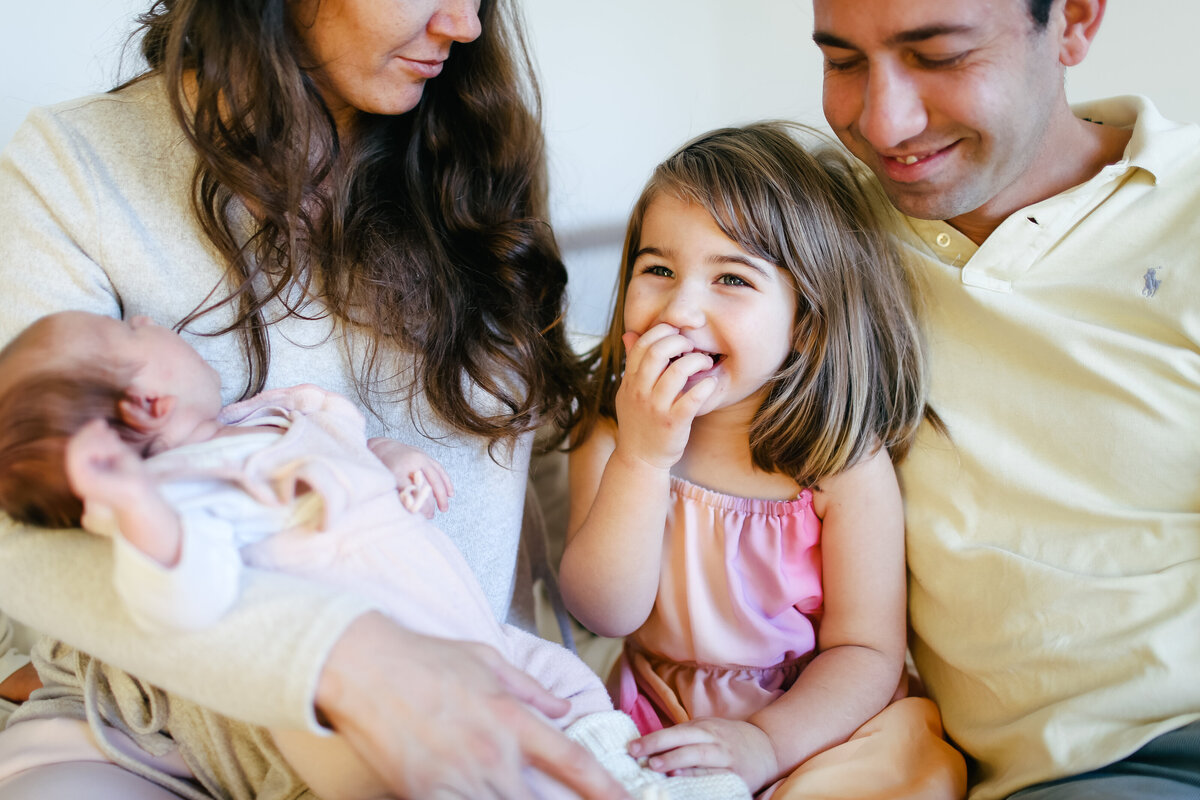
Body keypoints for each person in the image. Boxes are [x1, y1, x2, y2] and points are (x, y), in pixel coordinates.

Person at [0, 0, 631, 798]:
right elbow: (22, 526)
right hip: (150, 741)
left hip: (465, 709)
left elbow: (524, 453)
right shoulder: (73, 170)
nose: (464, 25)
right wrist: (343, 656)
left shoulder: (474, 153)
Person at [0, 309, 752, 800]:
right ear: (147, 403)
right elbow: (183, 600)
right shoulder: (183, 493)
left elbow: (345, 446)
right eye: (133, 330)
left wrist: (391, 459)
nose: (153, 321)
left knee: (572, 706)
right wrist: (137, 510)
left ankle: (633, 775)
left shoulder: (263, 415)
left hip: (469, 629)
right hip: (370, 688)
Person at [810, 0, 1200, 798]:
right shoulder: (813, 234)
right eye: (843, 62)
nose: (886, 124)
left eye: (941, 55)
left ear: (1076, 22)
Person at [561, 122, 967, 799]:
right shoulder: (611, 433)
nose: (682, 309)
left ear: (804, 317)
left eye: (730, 278)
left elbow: (865, 651)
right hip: (660, 710)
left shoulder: (839, 463)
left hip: (816, 720)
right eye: (657, 269)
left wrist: (767, 742)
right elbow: (604, 614)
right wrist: (643, 457)